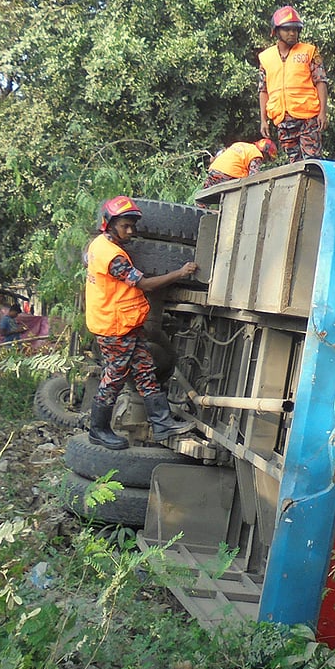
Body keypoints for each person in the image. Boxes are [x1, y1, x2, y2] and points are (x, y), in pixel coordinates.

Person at [86, 195, 198, 449]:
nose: (130, 231)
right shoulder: (113, 256)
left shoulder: (97, 245)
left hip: (124, 325)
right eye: (125, 225)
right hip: (114, 328)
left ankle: (162, 424)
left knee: (145, 371)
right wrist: (180, 273)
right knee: (114, 378)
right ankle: (98, 429)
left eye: (132, 226)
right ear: (109, 224)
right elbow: (145, 284)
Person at [258, 6, 329, 162]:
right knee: (293, 164)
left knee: (312, 161)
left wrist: (323, 112)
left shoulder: (309, 51)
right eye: (287, 29)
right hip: (282, 120)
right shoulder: (266, 58)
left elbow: (321, 82)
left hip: (308, 118)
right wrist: (263, 120)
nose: (292, 33)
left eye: (295, 30)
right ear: (276, 31)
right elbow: (263, 90)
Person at [202, 138, 278, 189]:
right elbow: (253, 177)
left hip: (213, 171)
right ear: (265, 153)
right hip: (229, 175)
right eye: (267, 159)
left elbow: (220, 154)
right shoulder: (256, 154)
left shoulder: (239, 144)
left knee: (204, 197)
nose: (265, 161)